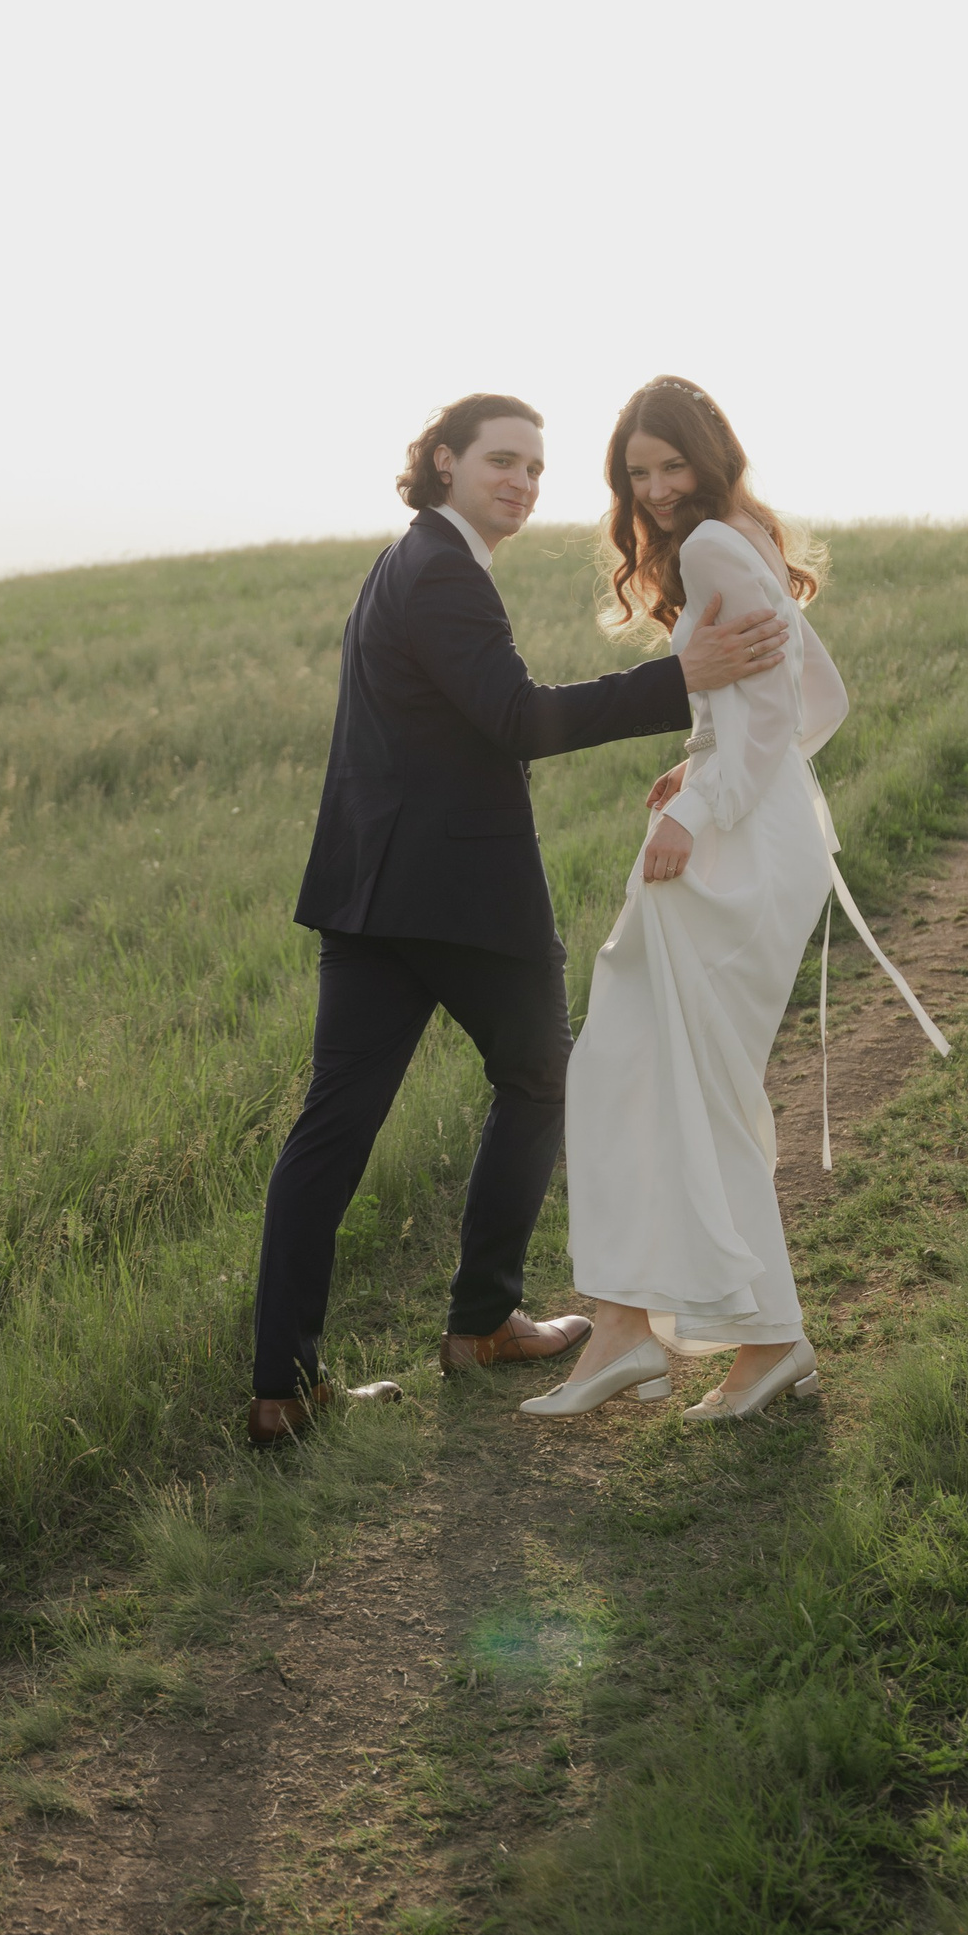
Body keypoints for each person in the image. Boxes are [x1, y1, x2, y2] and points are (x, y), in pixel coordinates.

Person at [247, 390, 792, 1447]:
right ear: (444, 462)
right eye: (502, 460)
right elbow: (517, 718)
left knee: (334, 1129)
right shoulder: (442, 570)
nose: (523, 482)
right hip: (462, 898)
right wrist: (679, 681)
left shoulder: (404, 563)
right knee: (543, 1080)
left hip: (368, 896)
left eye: (537, 468)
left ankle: (284, 1390)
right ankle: (484, 1322)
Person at [521, 376, 948, 1429]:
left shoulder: (715, 544)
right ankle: (710, 1337)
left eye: (674, 465)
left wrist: (702, 801)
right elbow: (811, 701)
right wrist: (705, 756)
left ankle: (666, 1337)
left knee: (647, 1072)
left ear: (711, 456)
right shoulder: (743, 534)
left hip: (732, 845)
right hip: (761, 832)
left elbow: (775, 713)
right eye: (639, 473)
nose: (658, 489)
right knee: (667, 1076)